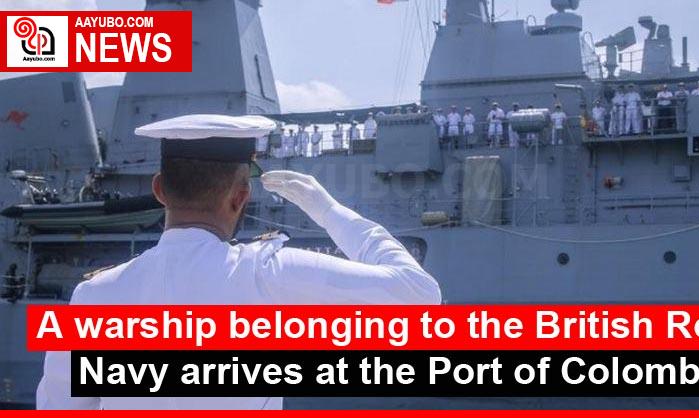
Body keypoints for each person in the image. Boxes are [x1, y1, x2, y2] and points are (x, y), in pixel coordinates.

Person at [36, 114, 441, 410]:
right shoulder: (269, 274)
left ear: (158, 189)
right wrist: (329, 211)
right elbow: (420, 295)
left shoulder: (93, 296)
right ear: (240, 197)